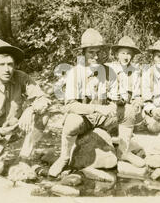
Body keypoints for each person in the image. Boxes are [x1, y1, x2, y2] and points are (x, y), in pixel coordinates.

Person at [49, 29, 144, 177]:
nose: (95, 56)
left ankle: (123, 153)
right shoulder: (75, 73)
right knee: (71, 121)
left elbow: (115, 98)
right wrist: (97, 108)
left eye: (98, 52)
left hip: (103, 118)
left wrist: (120, 102)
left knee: (129, 111)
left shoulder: (109, 72)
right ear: (83, 54)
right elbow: (70, 105)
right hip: (84, 118)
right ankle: (64, 157)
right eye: (91, 52)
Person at [0, 39, 51, 178]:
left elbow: (44, 99)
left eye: (10, 64)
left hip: (16, 129)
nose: (7, 69)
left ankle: (23, 159)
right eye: (1, 65)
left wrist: (30, 109)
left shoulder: (21, 77)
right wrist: (2, 132)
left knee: (43, 114)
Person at [107, 36, 145, 167]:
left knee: (132, 111)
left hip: (125, 109)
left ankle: (123, 151)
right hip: (109, 106)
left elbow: (138, 93)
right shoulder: (108, 69)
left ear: (132, 56)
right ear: (117, 54)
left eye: (129, 53)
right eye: (123, 53)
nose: (125, 56)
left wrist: (137, 102)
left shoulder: (135, 72)